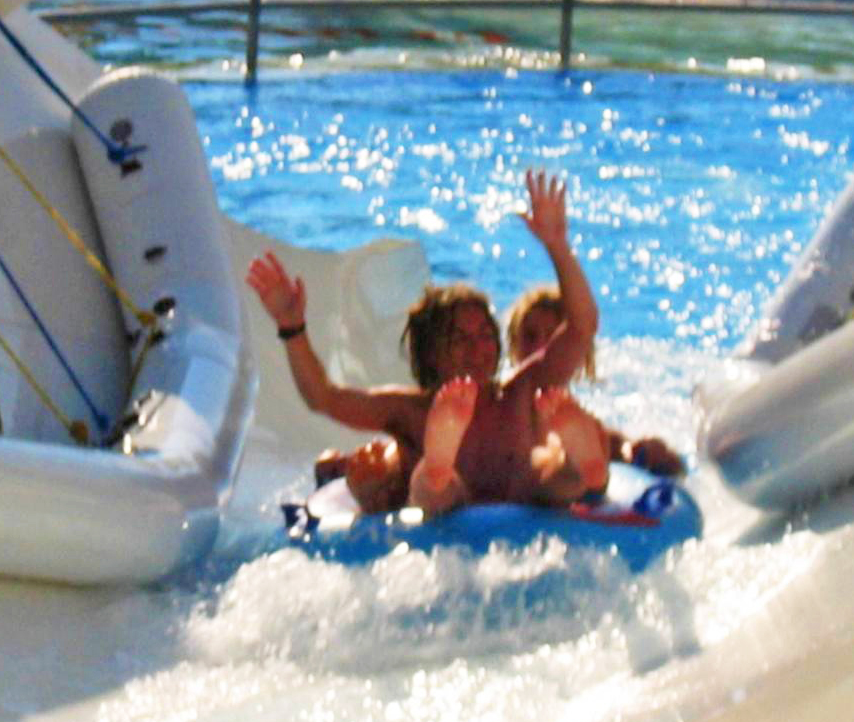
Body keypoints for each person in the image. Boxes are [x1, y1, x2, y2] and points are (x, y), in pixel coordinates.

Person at [246, 169, 610, 515]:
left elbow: (582, 328)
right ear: (430, 352)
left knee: (549, 473)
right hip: (447, 510)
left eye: (485, 336)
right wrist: (292, 327)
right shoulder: (410, 411)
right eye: (460, 339)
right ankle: (438, 466)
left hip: (526, 495)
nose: (478, 349)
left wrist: (557, 246)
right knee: (435, 489)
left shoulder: (521, 392)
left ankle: (582, 469)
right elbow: (323, 398)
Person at [505, 285, 685, 477]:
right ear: (514, 345)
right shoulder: (498, 405)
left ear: (576, 352)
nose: (540, 348)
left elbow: (611, 444)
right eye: (530, 336)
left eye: (553, 338)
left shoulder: (573, 419)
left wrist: (636, 450)